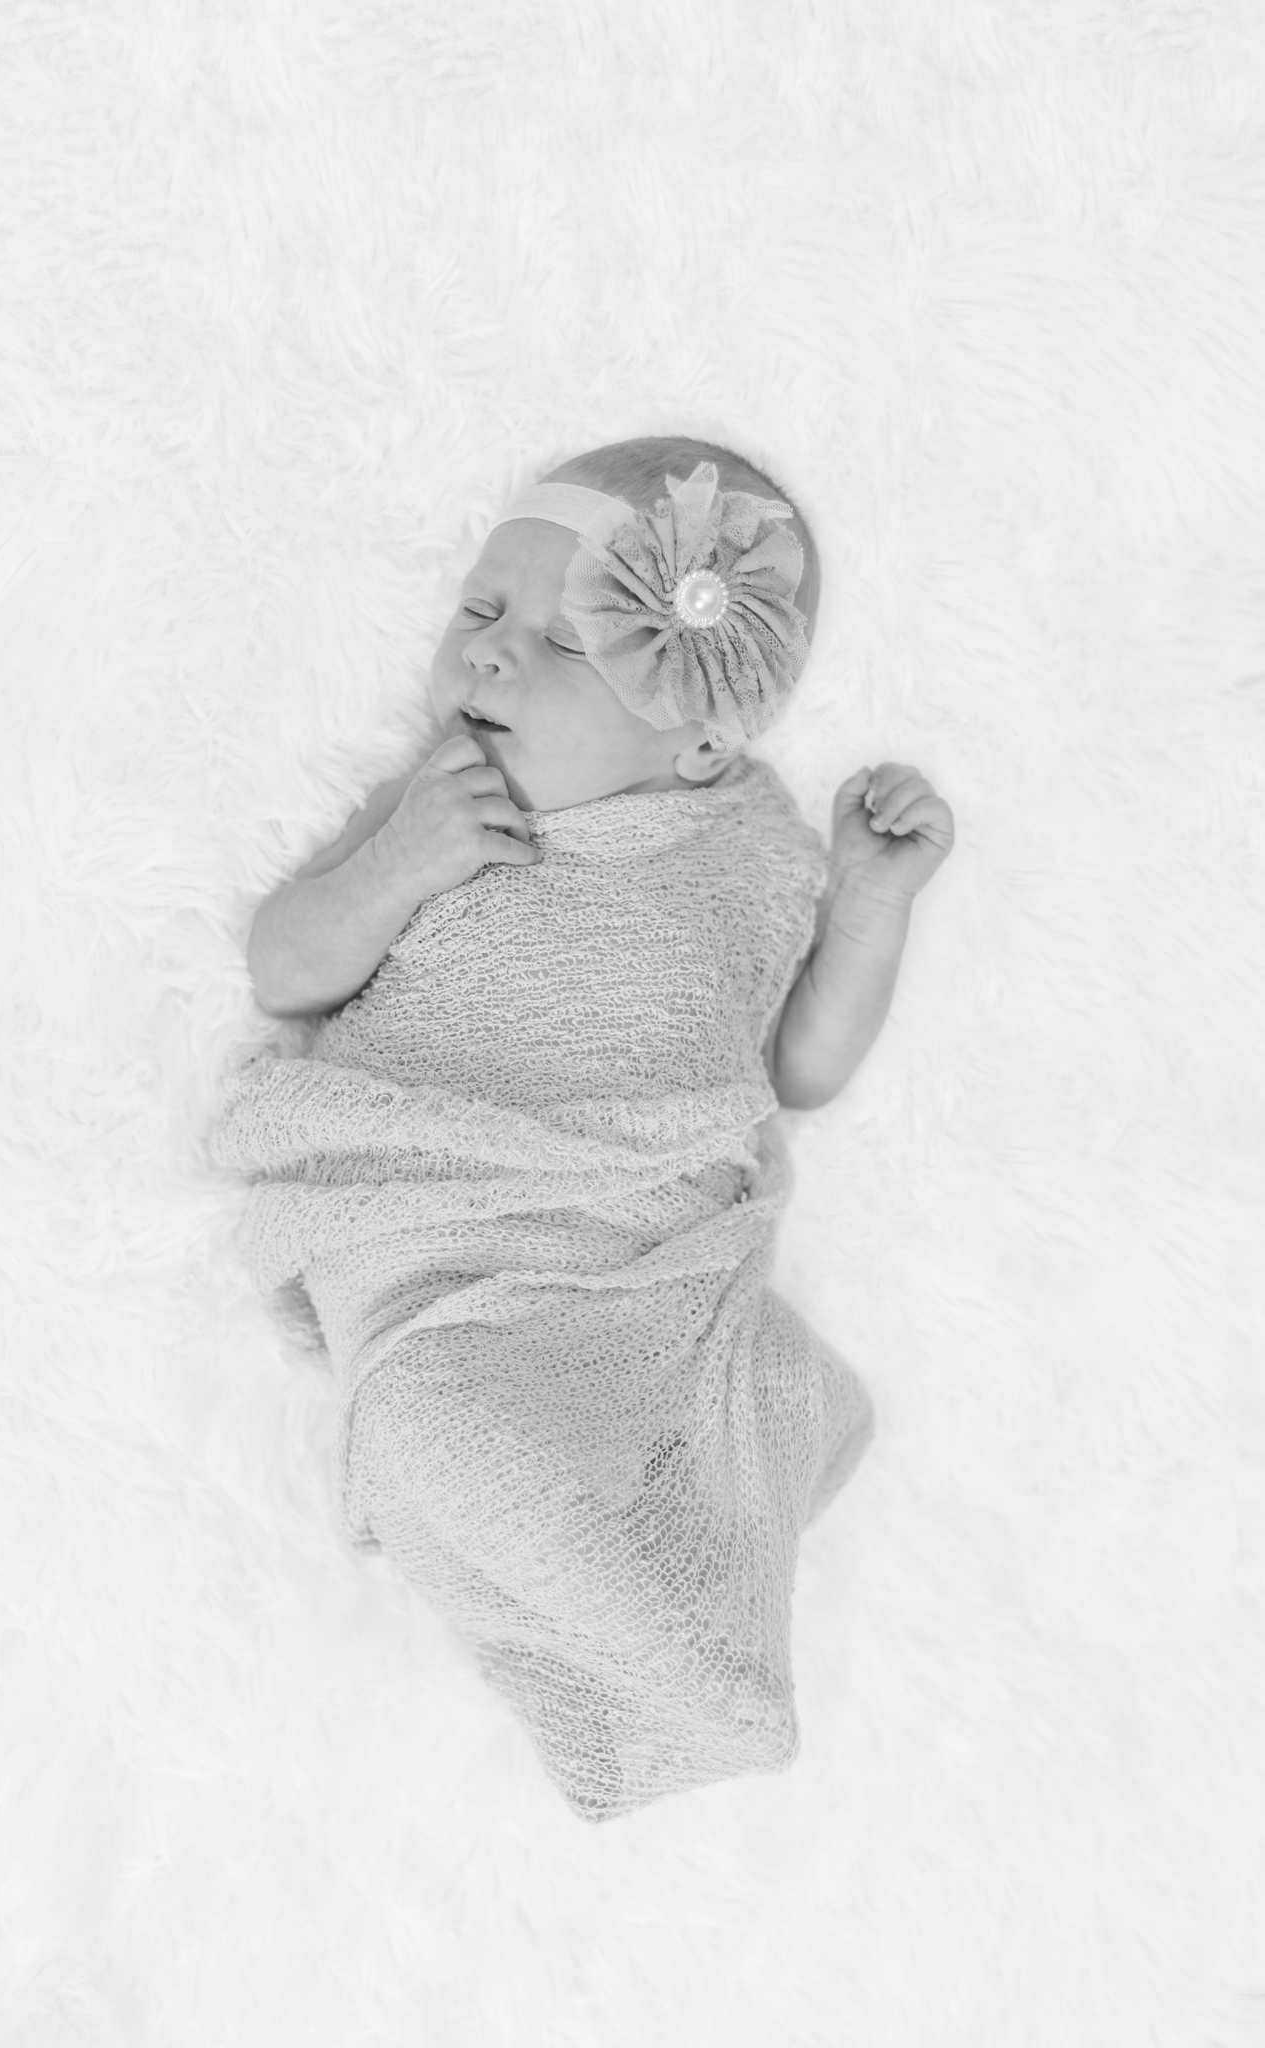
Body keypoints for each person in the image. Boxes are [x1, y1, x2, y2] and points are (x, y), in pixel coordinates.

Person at [212, 435, 955, 1823]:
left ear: (702, 737)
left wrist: (867, 906)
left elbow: (796, 1069)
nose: (491, 653)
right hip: (436, 1243)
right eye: (480, 610)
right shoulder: (424, 803)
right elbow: (283, 969)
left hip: (634, 1257)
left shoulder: (748, 854)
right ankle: (681, 1661)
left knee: (505, 1436)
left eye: (562, 642)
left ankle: (687, 1584)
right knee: (425, 1425)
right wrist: (395, 868)